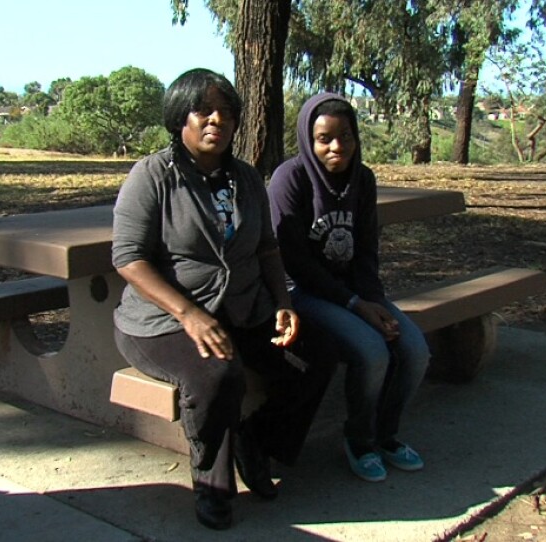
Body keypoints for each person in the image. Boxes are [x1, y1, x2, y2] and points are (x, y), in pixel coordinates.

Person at [112, 69, 332, 530]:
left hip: (243, 309)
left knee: (314, 360)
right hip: (161, 321)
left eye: (227, 112)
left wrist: (281, 303)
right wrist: (189, 314)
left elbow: (267, 247)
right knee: (217, 374)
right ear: (180, 118)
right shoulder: (153, 176)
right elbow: (129, 258)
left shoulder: (246, 178)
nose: (217, 120)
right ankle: (212, 483)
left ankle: (258, 442)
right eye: (204, 111)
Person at [268, 93, 430, 483]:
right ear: (309, 140)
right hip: (302, 294)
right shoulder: (290, 179)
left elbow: (365, 251)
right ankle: (358, 439)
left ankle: (386, 435)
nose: (336, 146)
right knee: (372, 352)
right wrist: (357, 305)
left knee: (414, 349)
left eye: (345, 136)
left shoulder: (363, 178)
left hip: (352, 293)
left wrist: (375, 302)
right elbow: (296, 263)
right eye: (325, 138)